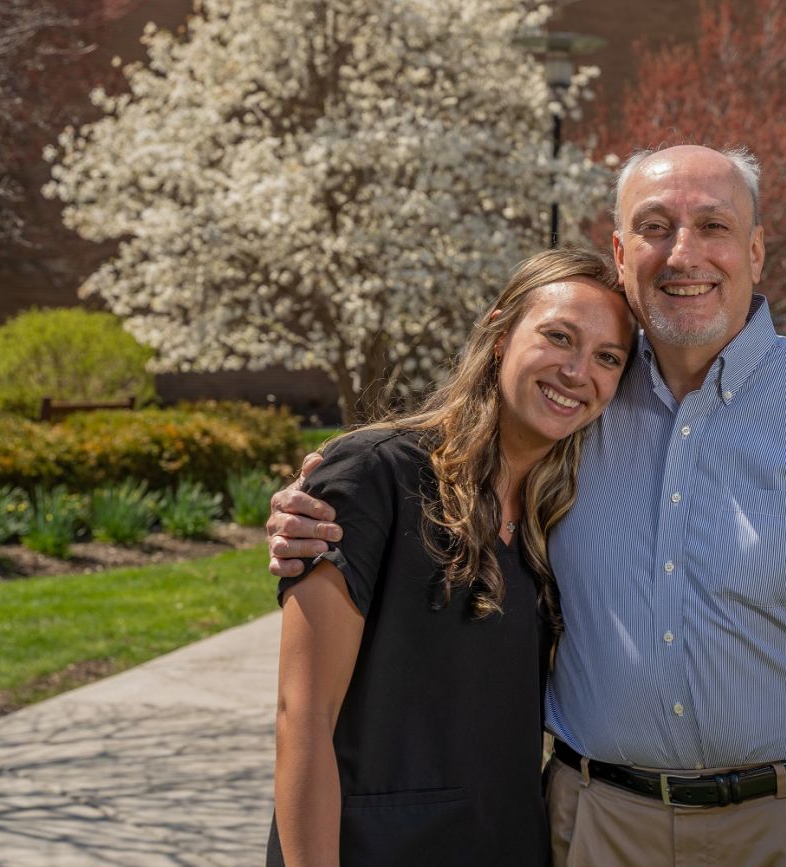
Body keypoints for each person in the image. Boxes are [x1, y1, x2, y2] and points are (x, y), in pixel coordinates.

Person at [268, 144, 786, 866]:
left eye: (713, 226)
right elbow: (437, 475)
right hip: (594, 830)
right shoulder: (575, 410)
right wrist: (323, 503)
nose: (683, 253)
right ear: (623, 255)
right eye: (656, 226)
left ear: (756, 250)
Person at [267, 247, 636, 867]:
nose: (578, 371)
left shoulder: (562, 519)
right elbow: (301, 717)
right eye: (558, 337)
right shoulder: (373, 476)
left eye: (607, 358)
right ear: (499, 335)